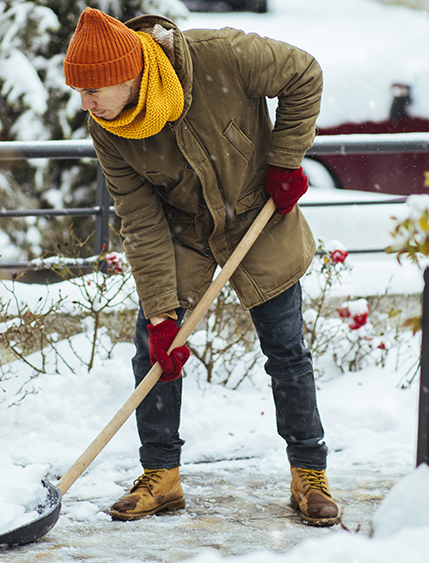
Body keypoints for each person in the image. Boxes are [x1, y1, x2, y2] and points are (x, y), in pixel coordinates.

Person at [62, 7, 339, 527]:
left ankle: (309, 472)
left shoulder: (221, 56)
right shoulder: (110, 128)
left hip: (260, 213)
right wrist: (164, 313)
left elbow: (305, 73)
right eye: (79, 92)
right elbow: (140, 222)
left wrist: (285, 161)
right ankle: (161, 476)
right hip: (183, 233)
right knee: (154, 348)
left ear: (129, 73)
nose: (86, 104)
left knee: (285, 349)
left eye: (92, 89)